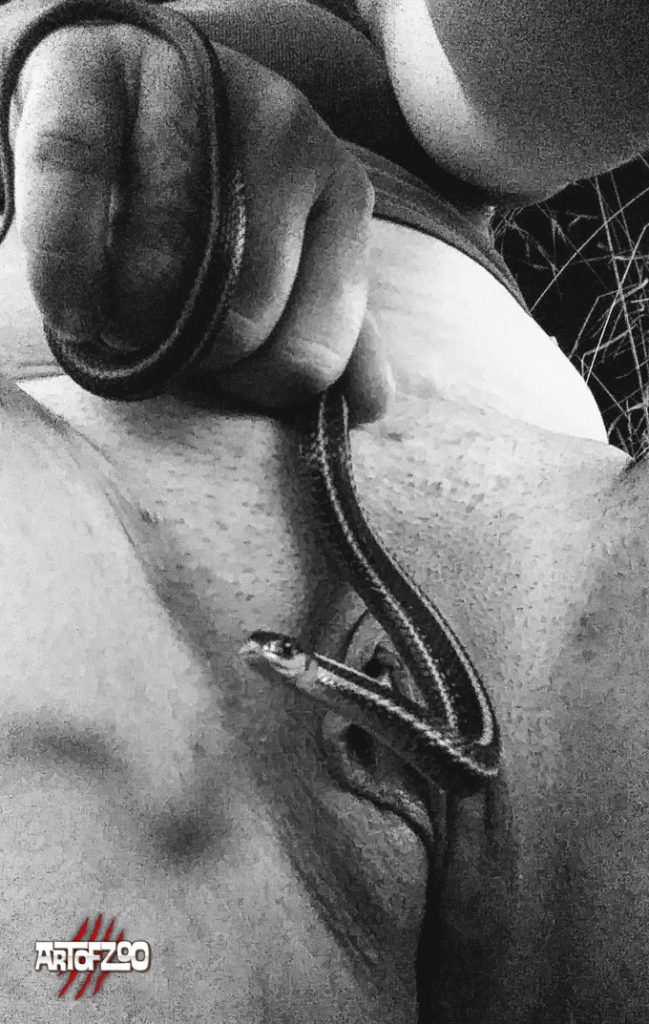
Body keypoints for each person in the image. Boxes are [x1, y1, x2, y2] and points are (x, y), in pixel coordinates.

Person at [1, 0, 648, 1021]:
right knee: (80, 960)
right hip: (75, 470)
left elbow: (508, 112)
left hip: (521, 513)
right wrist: (32, 62)